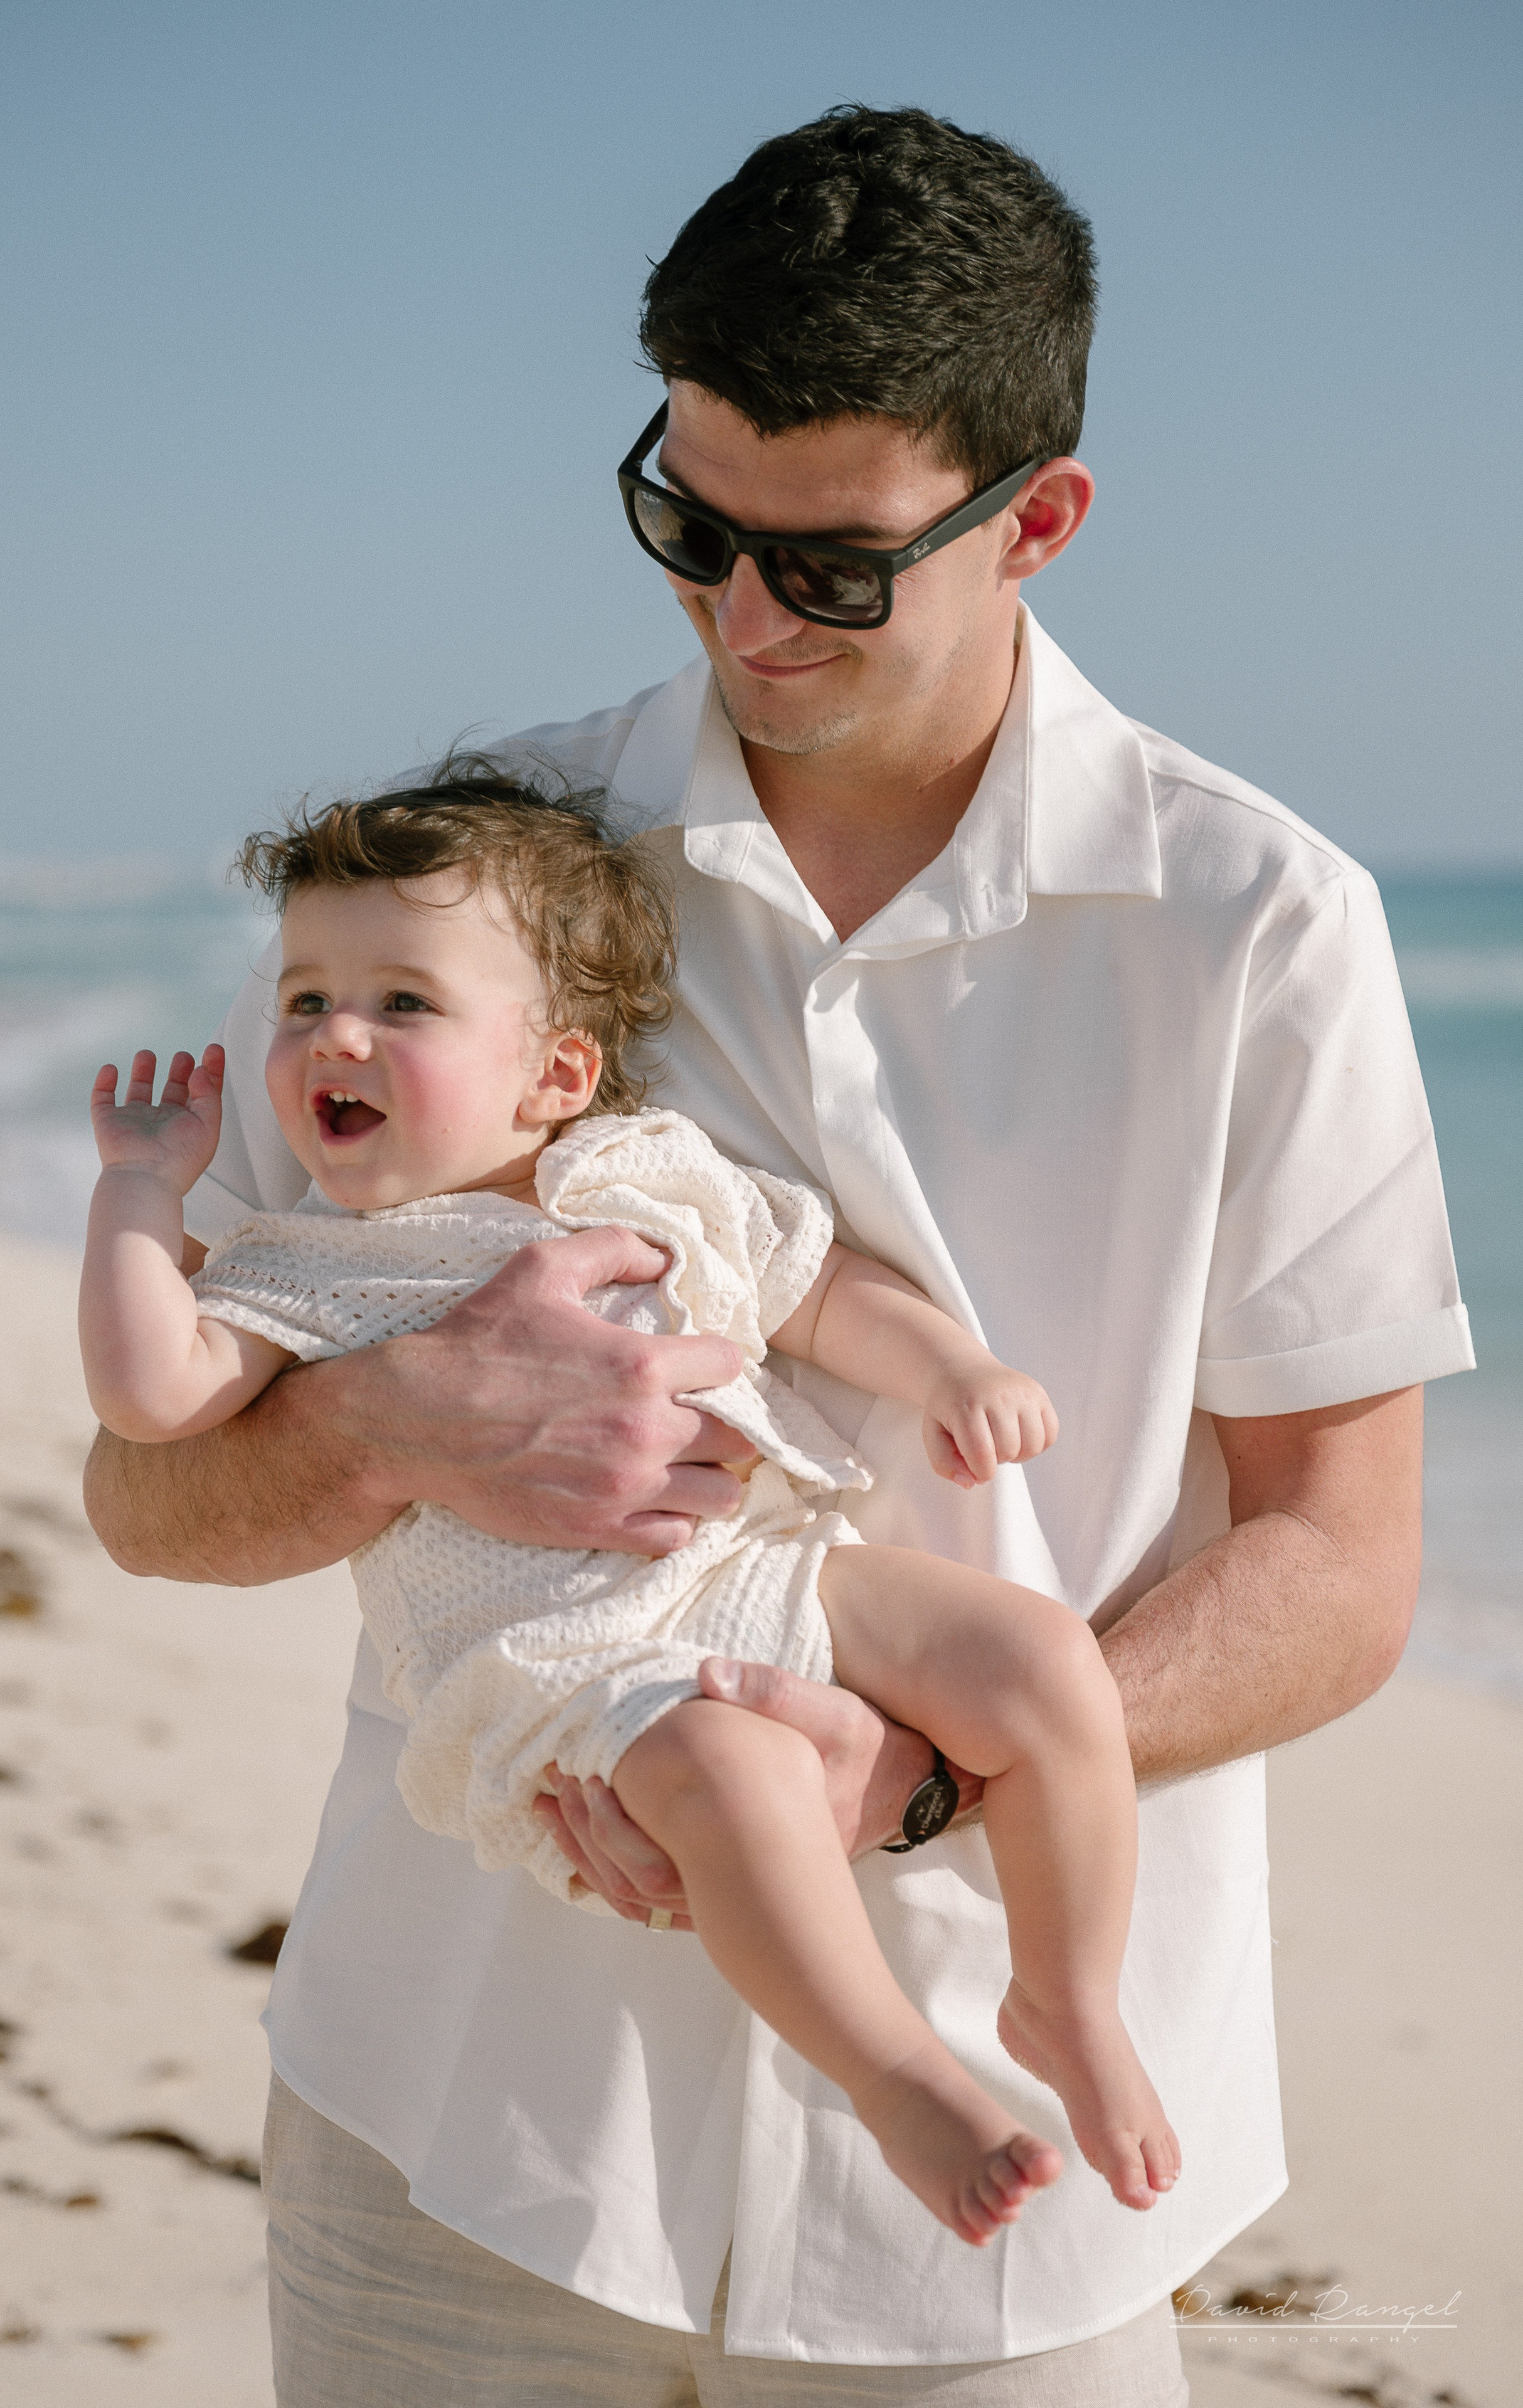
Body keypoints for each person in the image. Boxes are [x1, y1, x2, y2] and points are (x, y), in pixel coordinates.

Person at [83, 105, 1472, 2407]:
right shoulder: (447, 905)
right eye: (686, 524)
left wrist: (917, 1778)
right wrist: (371, 1425)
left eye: (828, 567)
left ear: (1038, 521)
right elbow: (152, 1494)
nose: (742, 619)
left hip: (1007, 2209)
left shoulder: (1260, 922)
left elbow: (1340, 1564)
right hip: (456, 2121)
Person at [78, 768, 1178, 2244]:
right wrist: (140, 1198)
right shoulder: (313, 1263)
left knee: (1040, 1659)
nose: (334, 1033)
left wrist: (951, 1368)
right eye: (304, 1001)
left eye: (404, 1003)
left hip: (771, 1561)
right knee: (736, 1782)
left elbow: (812, 1287)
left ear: (558, 1075)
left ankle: (1066, 2002)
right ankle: (902, 2073)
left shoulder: (649, 1176)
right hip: (567, 1662)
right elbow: (156, 1400)